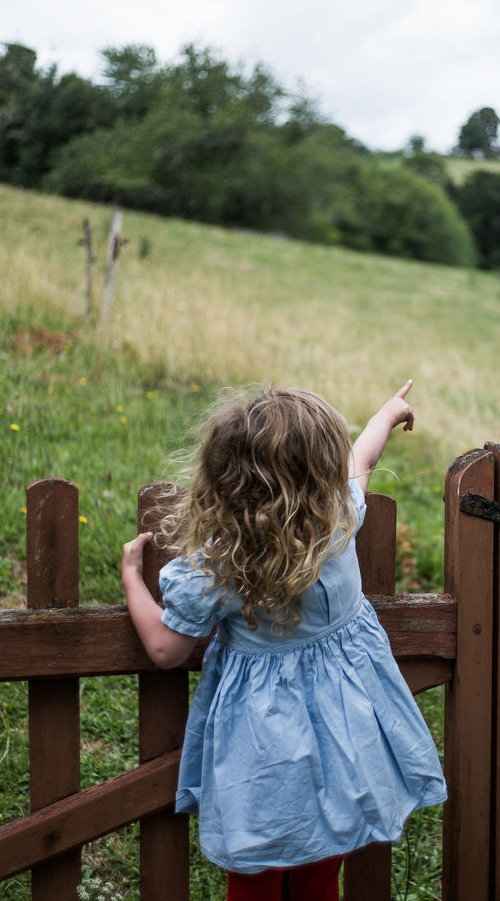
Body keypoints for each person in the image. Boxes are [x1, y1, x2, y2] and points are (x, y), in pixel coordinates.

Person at [121, 381, 447, 901]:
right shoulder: (338, 519)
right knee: (322, 869)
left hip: (263, 747)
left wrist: (132, 580)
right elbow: (361, 462)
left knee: (256, 873)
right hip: (344, 733)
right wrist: (385, 415)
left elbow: (166, 649)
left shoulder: (224, 563)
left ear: (224, 477)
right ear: (320, 472)